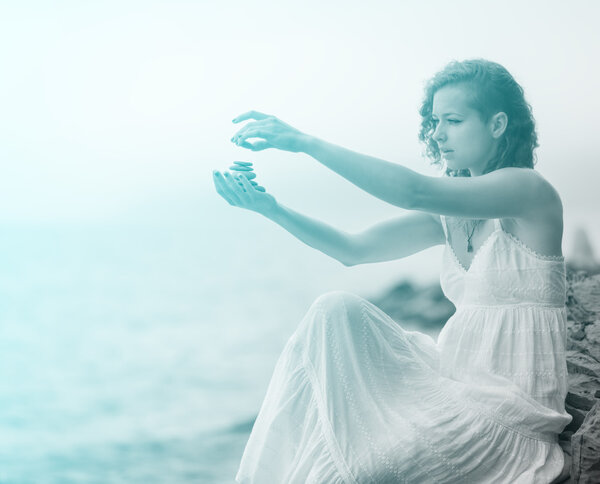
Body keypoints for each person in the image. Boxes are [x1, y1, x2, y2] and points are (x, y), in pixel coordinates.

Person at [213, 59, 572, 483]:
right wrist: (271, 210)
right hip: (454, 384)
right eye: (435, 120)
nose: (437, 133)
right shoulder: (449, 217)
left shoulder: (528, 191)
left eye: (453, 120)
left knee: (362, 469)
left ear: (497, 124)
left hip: (508, 418)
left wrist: (303, 142)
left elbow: (411, 190)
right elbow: (352, 250)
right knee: (333, 312)